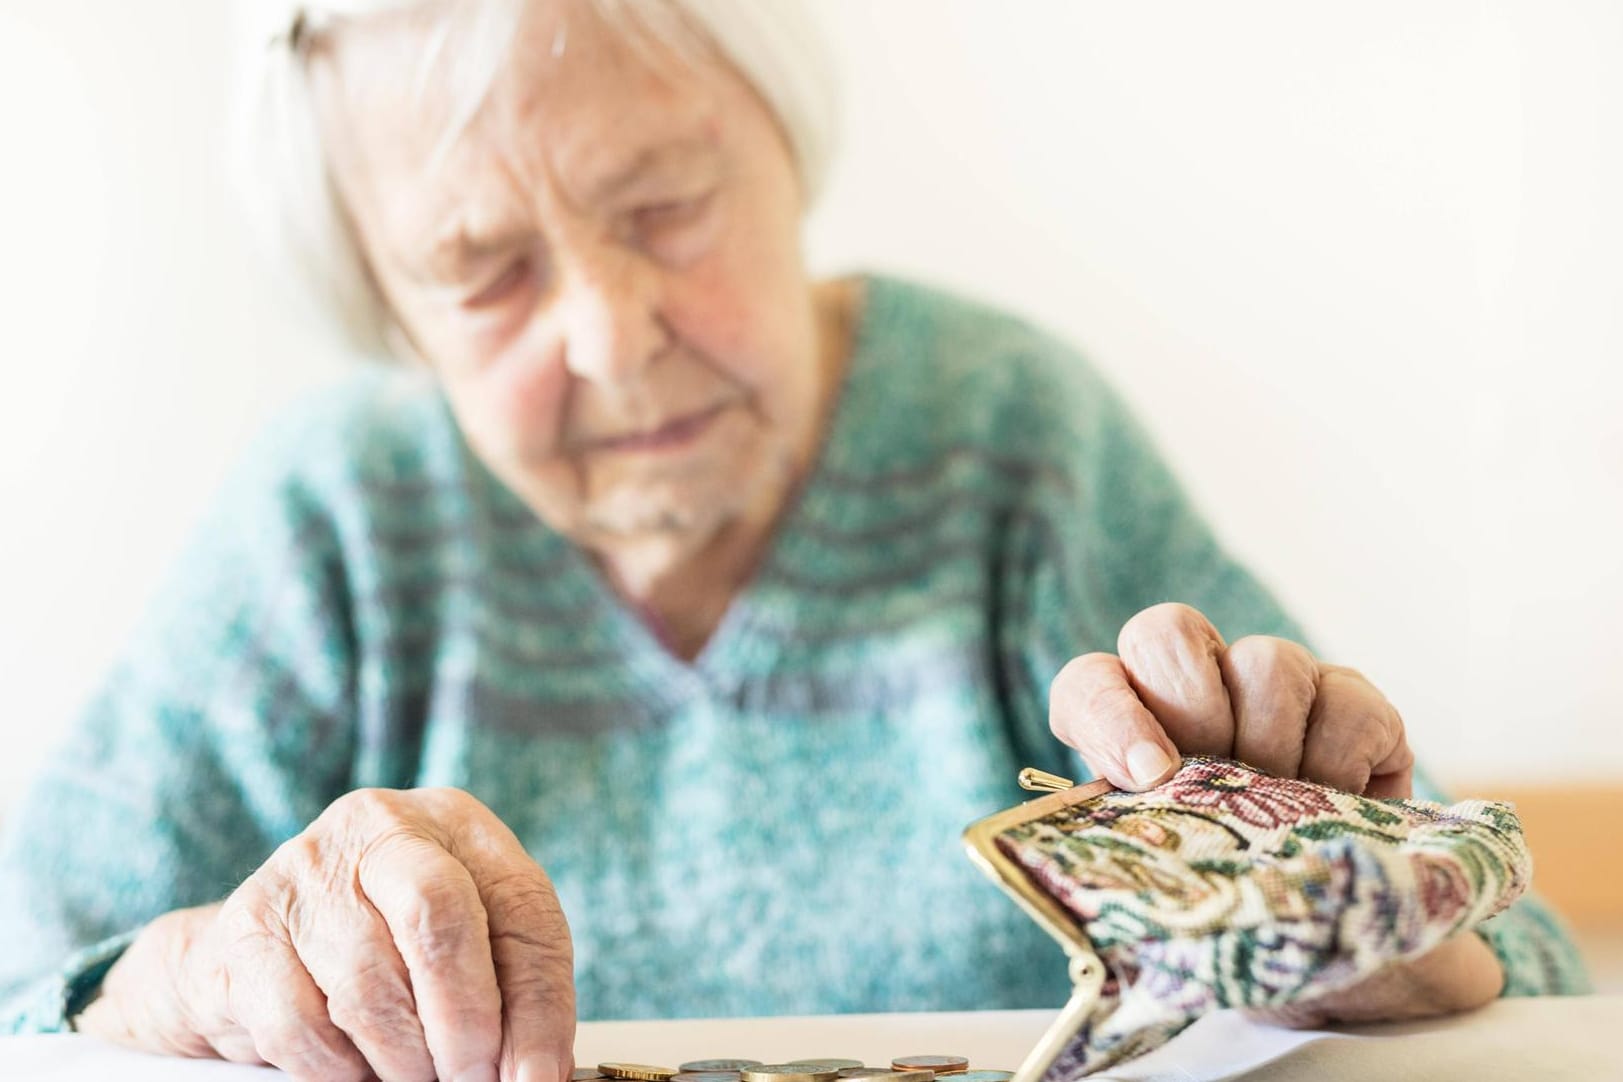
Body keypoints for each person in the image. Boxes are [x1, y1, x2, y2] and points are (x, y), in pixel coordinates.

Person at [0, 1, 1590, 1079]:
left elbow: (1524, 963)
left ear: (783, 144)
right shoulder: (332, 518)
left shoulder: (1008, 436)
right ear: (383, 307)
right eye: (481, 270)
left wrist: (1347, 932)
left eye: (667, 203)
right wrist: (207, 973)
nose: (614, 338)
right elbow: (24, 985)